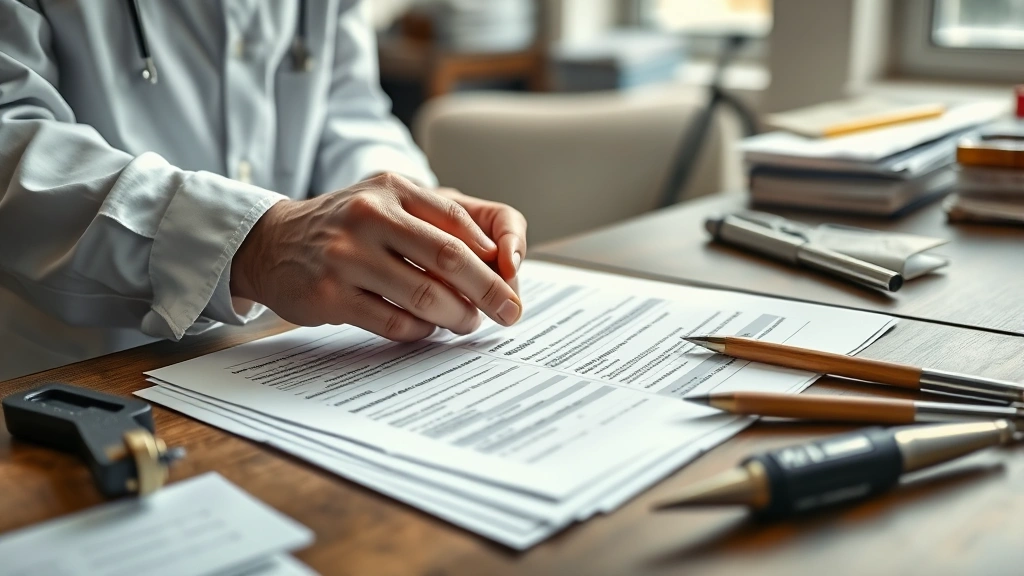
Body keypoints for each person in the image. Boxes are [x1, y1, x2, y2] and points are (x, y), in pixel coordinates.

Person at [0, 0, 527, 381]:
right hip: (79, 373)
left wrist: (408, 210)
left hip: (292, 364)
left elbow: (347, 105)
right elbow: (11, 138)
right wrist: (254, 244)